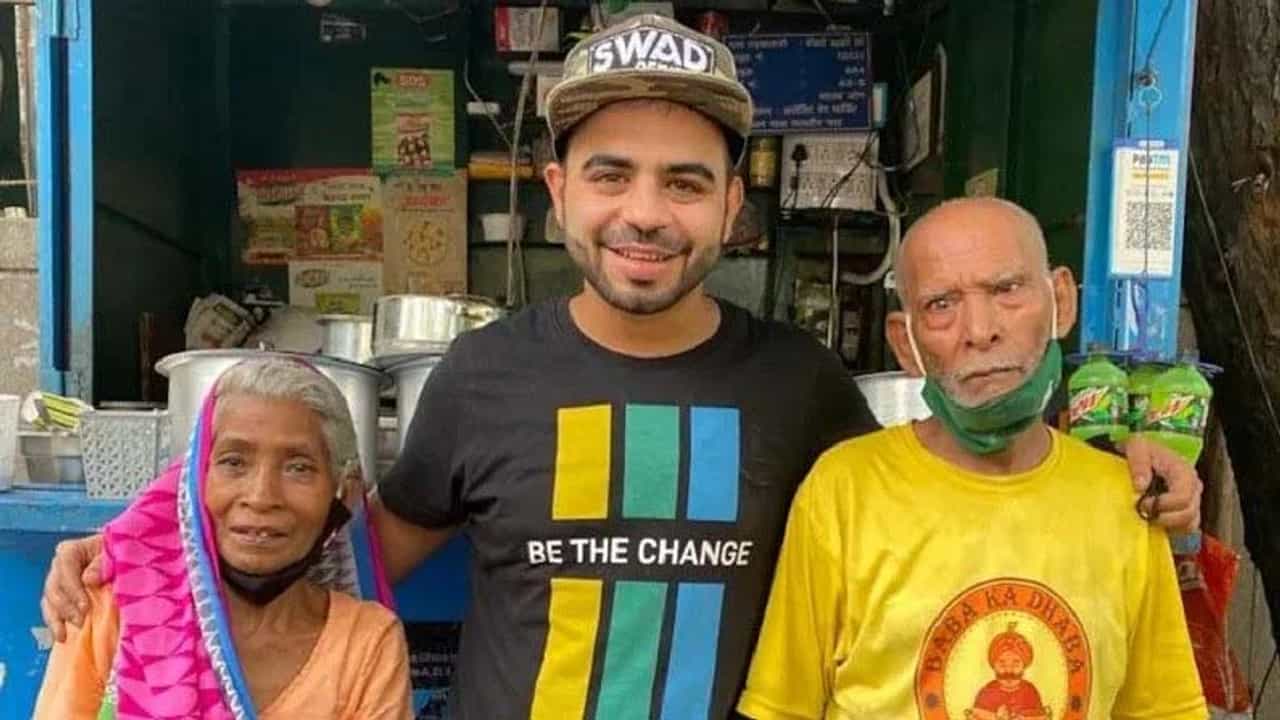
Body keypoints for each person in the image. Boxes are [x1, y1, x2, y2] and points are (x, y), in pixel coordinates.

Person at [43, 17, 1203, 720]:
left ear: (733, 208)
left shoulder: (801, 388)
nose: (644, 213)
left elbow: (956, 492)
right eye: (609, 174)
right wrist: (132, 555)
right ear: (558, 194)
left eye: (684, 182)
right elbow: (333, 560)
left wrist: (1122, 462)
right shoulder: (480, 379)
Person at [737, 198, 1207, 720]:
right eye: (941, 304)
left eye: (1007, 290)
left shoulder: (1124, 500)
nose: (980, 330)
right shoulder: (843, 491)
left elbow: (1163, 710)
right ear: (906, 343)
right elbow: (782, 708)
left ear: (1061, 301)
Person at [34, 358, 411, 719]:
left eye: (299, 467)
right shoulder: (111, 610)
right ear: (194, 479)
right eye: (233, 462)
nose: (261, 496)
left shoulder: (365, 643)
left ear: (342, 493)